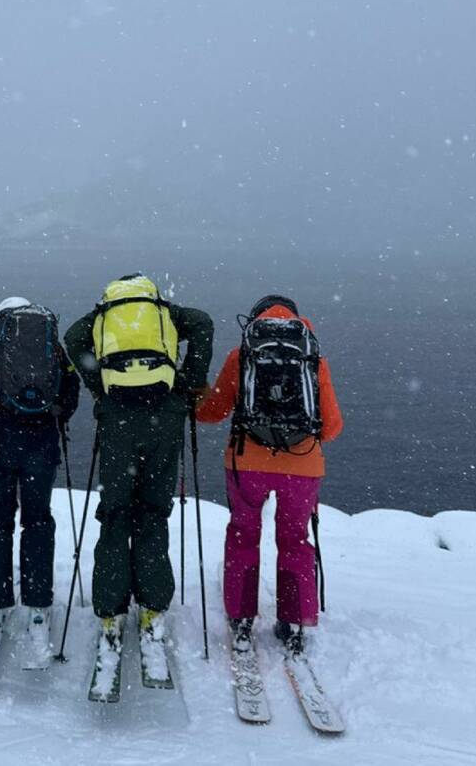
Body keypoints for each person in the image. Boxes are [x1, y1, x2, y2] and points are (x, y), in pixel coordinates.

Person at [63, 274, 213, 665]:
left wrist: (99, 387)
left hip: (118, 420)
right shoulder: (165, 312)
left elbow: (72, 339)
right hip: (165, 415)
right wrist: (191, 381)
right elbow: (204, 323)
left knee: (115, 514)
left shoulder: (102, 315)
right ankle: (152, 607)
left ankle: (110, 613)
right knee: (152, 512)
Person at [194, 294, 343, 656]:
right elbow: (332, 426)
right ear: (296, 318)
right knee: (294, 540)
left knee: (243, 534)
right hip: (302, 466)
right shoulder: (312, 358)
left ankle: (242, 619)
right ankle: (293, 622)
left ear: (256, 319)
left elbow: (212, 411)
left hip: (247, 462)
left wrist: (193, 397)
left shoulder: (242, 354)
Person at [0, 297, 80, 646]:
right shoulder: (51, 345)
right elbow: (71, 392)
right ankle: (38, 606)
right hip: (41, 446)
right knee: (37, 520)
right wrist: (54, 412)